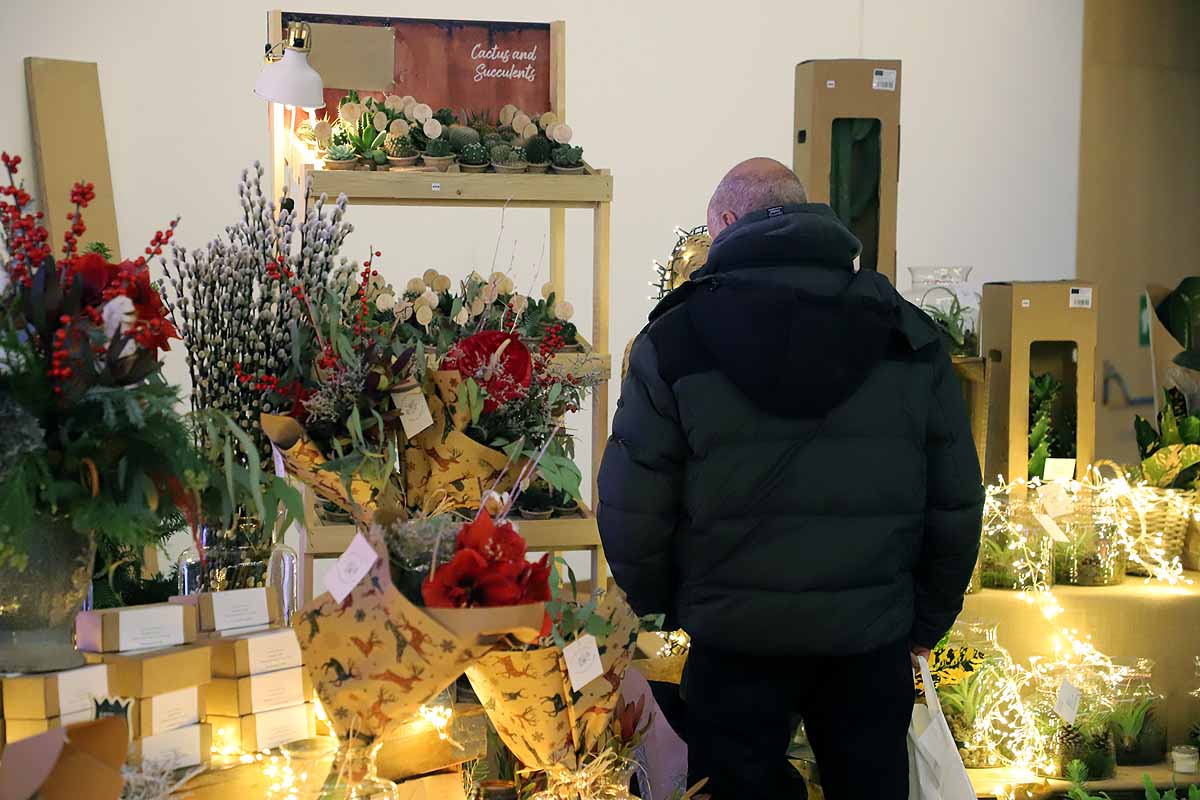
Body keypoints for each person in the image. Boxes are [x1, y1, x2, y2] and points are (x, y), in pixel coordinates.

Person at [596, 158, 984, 799]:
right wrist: (924, 622)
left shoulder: (676, 339)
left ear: (723, 222)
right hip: (870, 642)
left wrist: (670, 604)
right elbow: (956, 500)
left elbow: (631, 502)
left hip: (735, 643)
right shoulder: (906, 335)